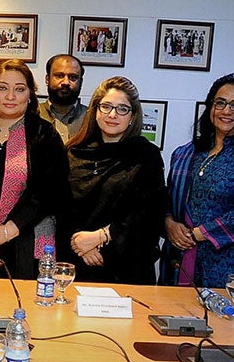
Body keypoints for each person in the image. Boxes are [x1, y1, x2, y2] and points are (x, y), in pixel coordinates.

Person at [164, 73, 234, 289]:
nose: (226, 111)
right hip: (183, 261)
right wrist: (169, 223)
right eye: (220, 103)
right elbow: (169, 199)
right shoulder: (186, 153)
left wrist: (199, 233)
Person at [0, 60, 69, 279]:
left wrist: (8, 230)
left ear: (30, 94)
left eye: (19, 89)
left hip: (25, 248)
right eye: (2, 88)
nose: (10, 97)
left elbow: (50, 193)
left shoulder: (44, 135)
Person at [62, 77, 166, 284]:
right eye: (106, 106)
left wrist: (100, 237)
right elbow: (60, 206)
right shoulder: (73, 153)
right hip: (75, 263)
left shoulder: (146, 156)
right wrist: (80, 245)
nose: (112, 115)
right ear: (95, 110)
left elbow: (148, 214)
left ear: (133, 116)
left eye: (122, 109)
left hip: (127, 267)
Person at [37, 54, 87, 142]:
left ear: (81, 82)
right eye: (59, 76)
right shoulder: (32, 114)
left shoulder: (91, 118)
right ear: (47, 79)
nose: (66, 82)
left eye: (73, 77)